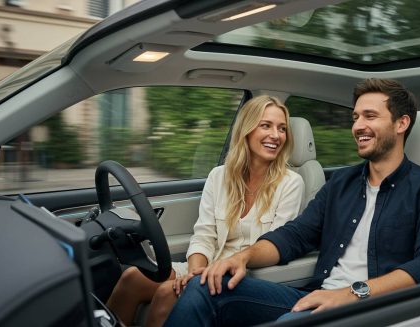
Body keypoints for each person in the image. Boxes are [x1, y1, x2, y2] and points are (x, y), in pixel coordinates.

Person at [163, 78, 420, 326]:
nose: (358, 126)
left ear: (401, 123)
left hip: (375, 307)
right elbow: (295, 235)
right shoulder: (342, 183)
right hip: (318, 295)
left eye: (370, 116)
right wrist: (243, 257)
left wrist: (352, 294)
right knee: (203, 287)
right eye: (355, 117)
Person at [106, 95, 304, 327]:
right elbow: (204, 235)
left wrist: (201, 278)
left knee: (166, 294)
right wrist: (196, 272)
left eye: (282, 129)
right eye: (266, 125)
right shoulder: (218, 176)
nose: (276, 135)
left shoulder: (291, 183)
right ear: (246, 130)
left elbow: (274, 245)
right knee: (132, 278)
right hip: (205, 267)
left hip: (240, 276)